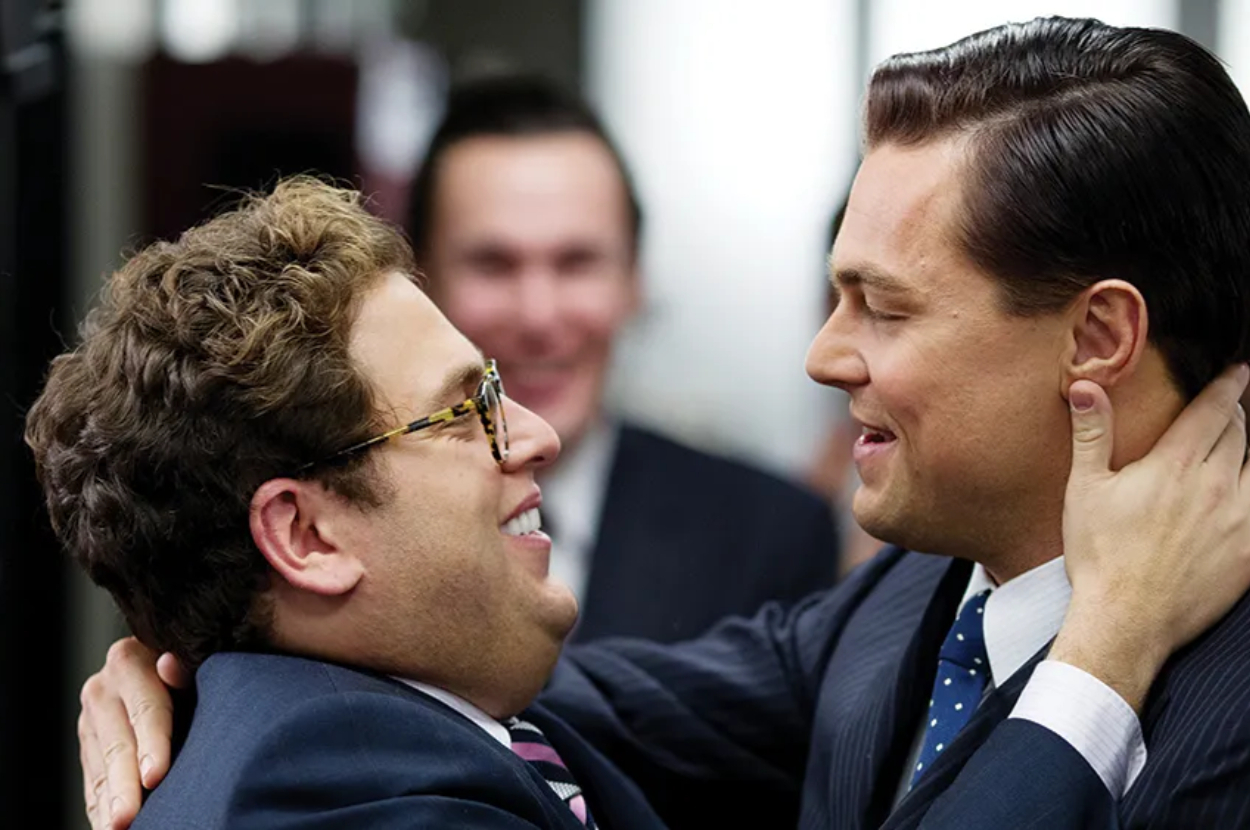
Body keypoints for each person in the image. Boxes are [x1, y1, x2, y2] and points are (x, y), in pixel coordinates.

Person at [73, 17, 1250, 830]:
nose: (820, 355)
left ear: (1095, 337)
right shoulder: (908, 603)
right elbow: (479, 701)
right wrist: (215, 650)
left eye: (881, 308)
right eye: (462, 407)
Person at [28, 178, 667, 828]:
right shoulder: (345, 791)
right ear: (306, 534)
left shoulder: (378, 717)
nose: (537, 437)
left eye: (495, 391)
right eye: (462, 412)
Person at [408, 75, 840, 643]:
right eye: (493, 264)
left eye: (577, 262)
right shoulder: (344, 528)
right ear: (417, 281)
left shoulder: (769, 536)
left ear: (635, 280)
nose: (538, 316)